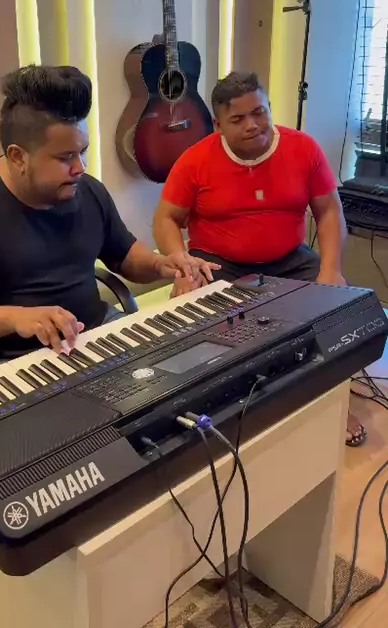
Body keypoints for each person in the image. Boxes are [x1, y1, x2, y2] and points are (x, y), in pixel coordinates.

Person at [0, 65, 218, 383]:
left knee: (184, 380)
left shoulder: (87, 191)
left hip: (93, 336)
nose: (81, 167)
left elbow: (125, 257)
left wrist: (162, 264)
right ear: (18, 157)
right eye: (65, 157)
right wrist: (14, 318)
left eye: (83, 152)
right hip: (4, 362)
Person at [153, 70, 365, 447]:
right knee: (191, 315)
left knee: (334, 309)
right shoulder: (195, 159)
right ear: (218, 124)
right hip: (217, 261)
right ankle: (216, 410)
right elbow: (166, 218)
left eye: (259, 112)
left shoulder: (303, 149)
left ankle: (332, 398)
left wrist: (332, 270)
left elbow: (330, 212)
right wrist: (181, 262)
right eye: (238, 119)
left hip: (289, 258)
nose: (253, 125)